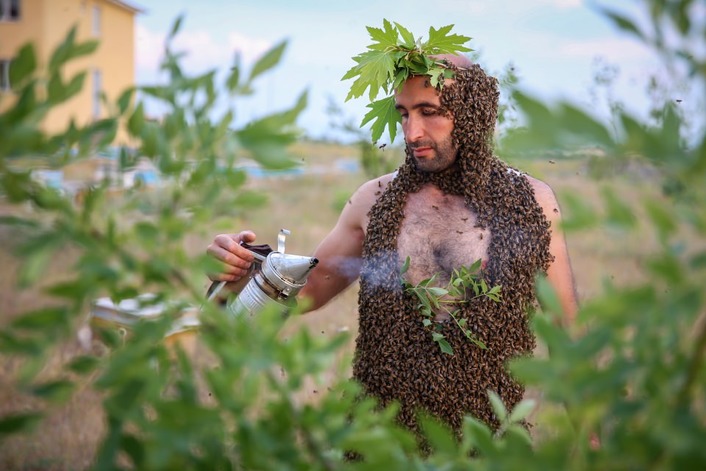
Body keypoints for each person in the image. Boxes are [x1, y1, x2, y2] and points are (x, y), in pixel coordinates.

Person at [207, 53, 578, 439]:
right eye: (403, 113)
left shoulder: (532, 203)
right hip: (380, 443)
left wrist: (592, 436)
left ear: (474, 114)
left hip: (488, 445)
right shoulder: (374, 200)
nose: (412, 132)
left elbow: (567, 332)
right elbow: (307, 291)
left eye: (428, 111)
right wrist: (241, 270)